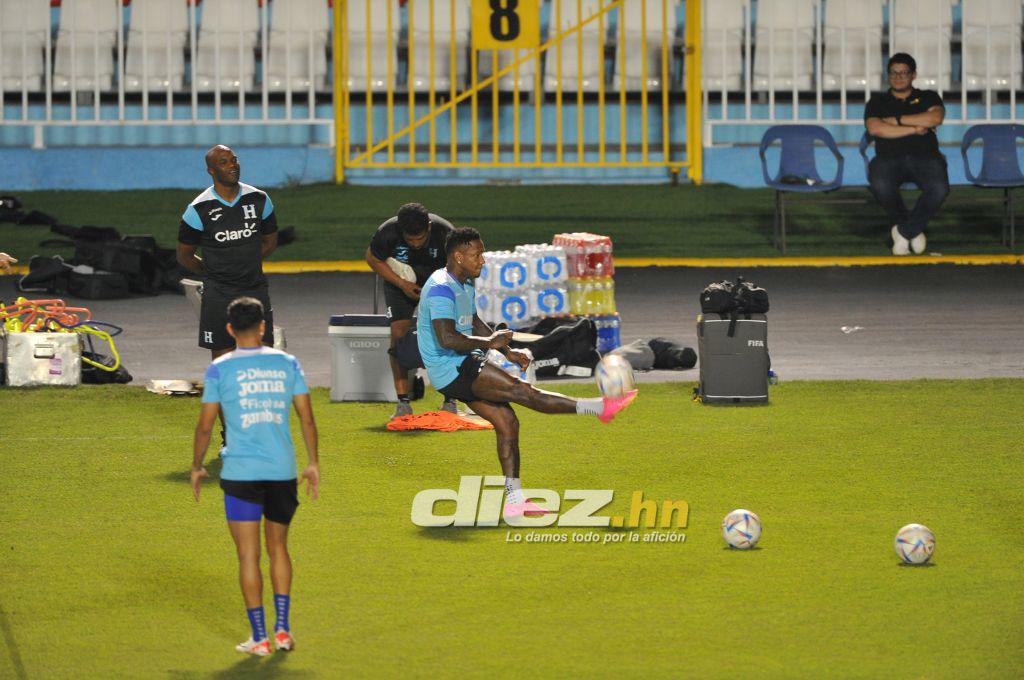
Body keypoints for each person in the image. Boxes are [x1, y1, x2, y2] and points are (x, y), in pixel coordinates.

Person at [417, 227, 637, 520]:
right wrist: (489, 344)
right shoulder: (441, 287)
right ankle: (599, 408)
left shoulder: (464, 283)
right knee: (524, 392)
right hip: (452, 367)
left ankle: (514, 502)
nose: (482, 260)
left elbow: (471, 320)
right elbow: (447, 338)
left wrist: (507, 351)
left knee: (508, 422)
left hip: (458, 365)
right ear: (458, 256)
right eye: (477, 254)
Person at [190, 297, 320, 657]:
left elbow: (204, 426)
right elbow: (306, 418)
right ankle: (283, 631)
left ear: (229, 330)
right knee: (278, 548)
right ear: (263, 327)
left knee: (248, 556)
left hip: (241, 473)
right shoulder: (287, 363)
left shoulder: (220, 368)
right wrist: (313, 463)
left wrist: (197, 465)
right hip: (281, 471)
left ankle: (259, 637)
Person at [177, 145, 279, 359]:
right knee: (223, 360)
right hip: (219, 293)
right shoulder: (197, 210)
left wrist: (245, 261)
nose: (232, 165)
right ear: (211, 171)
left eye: (234, 160)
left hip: (255, 289)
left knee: (263, 354)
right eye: (223, 162)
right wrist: (213, 270)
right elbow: (184, 257)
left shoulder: (260, 199)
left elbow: (270, 241)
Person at [365, 203, 455, 419]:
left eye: (420, 239)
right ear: (400, 231)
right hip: (400, 284)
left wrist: (436, 289)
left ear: (430, 227)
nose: (415, 244)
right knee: (398, 335)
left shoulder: (446, 233)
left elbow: (457, 266)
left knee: (445, 335)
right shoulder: (387, 232)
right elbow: (372, 258)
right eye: (410, 239)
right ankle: (403, 403)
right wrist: (402, 284)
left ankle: (450, 400)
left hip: (437, 282)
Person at [864, 53, 949, 256]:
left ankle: (904, 231)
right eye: (894, 72)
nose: (899, 77)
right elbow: (877, 129)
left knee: (939, 188)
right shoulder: (877, 101)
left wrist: (896, 120)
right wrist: (914, 127)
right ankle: (914, 230)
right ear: (888, 76)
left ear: (914, 75)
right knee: (880, 185)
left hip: (926, 157)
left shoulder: (928, 96)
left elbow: (935, 117)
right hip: (888, 158)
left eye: (904, 72)